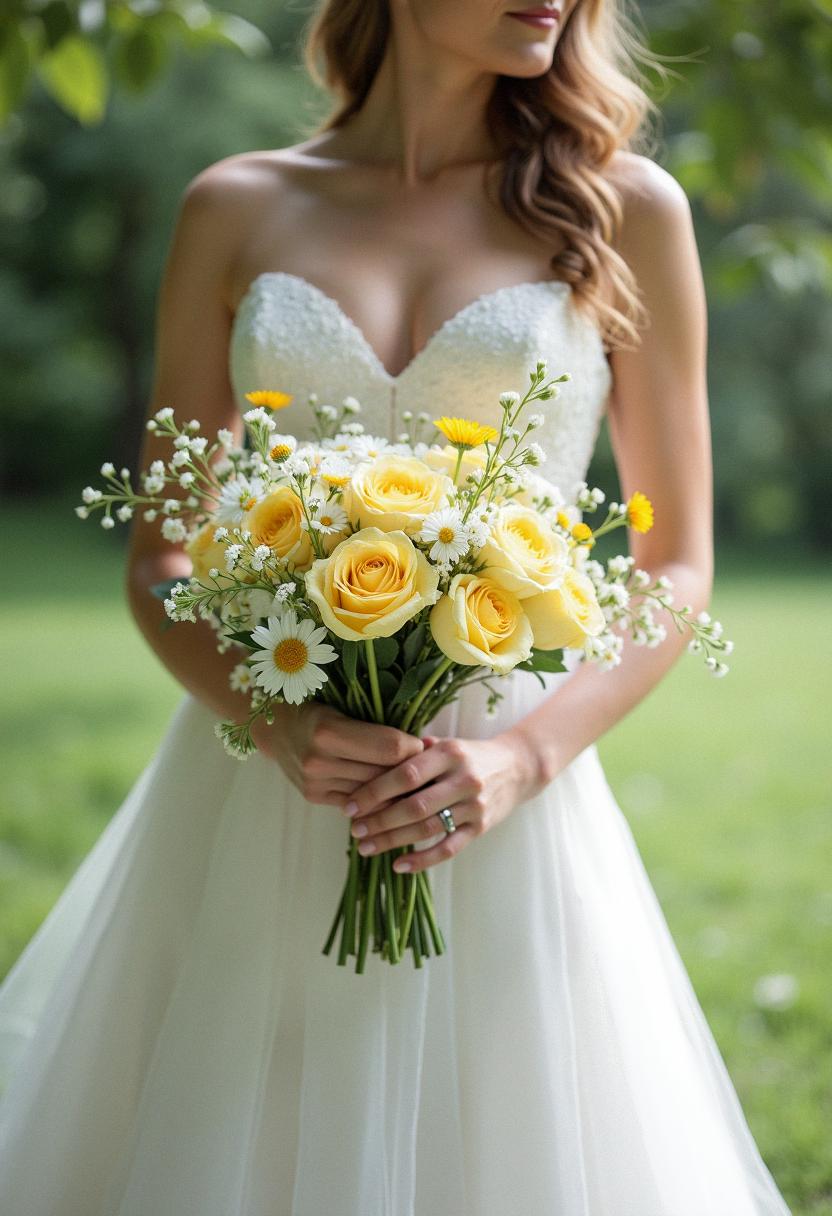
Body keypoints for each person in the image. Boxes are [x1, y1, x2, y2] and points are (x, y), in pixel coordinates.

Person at [0, 2, 793, 1213]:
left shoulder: (627, 207)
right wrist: (273, 724)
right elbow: (163, 555)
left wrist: (523, 757)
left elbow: (674, 560)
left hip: (494, 792)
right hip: (265, 777)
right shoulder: (236, 203)